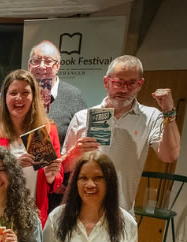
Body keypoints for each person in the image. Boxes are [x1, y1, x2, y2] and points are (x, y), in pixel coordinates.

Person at [62, 55, 180, 214]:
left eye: (132, 83)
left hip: (120, 213)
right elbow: (64, 168)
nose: (124, 90)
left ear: (140, 84)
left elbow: (169, 156)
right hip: (79, 210)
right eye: (118, 82)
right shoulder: (83, 117)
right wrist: (74, 153)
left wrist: (169, 112)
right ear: (106, 82)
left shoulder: (151, 117)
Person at [0, 69, 64, 227]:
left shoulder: (47, 129)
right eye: (13, 93)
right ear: (4, 97)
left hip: (33, 216)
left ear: (33, 97)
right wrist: (9, 165)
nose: (19, 98)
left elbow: (56, 178)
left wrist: (51, 175)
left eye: (25, 92)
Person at [27, 40, 87, 210]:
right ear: (29, 65)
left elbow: (80, 144)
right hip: (23, 184)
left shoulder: (74, 96)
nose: (42, 66)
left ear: (58, 66)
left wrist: (65, 182)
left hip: (57, 190)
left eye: (48, 61)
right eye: (36, 61)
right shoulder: (19, 93)